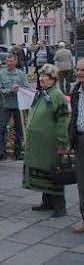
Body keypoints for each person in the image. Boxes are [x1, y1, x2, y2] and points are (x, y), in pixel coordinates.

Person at [23, 64, 70, 218]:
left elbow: (62, 122)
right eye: (41, 75)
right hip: (39, 144)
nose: (41, 78)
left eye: (46, 76)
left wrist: (62, 143)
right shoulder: (42, 94)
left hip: (51, 143)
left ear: (54, 79)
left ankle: (59, 205)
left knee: (54, 173)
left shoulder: (57, 96)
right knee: (43, 171)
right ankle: (47, 201)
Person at [0, 54, 28, 160]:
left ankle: (18, 152)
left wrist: (19, 88)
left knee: (19, 129)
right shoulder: (1, 74)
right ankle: (1, 152)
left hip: (18, 104)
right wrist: (10, 90)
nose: (8, 63)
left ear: (15, 62)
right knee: (1, 128)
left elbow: (26, 87)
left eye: (11, 61)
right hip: (5, 104)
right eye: (7, 61)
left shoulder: (21, 74)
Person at [70, 59, 84, 232]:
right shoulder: (76, 91)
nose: (80, 72)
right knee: (81, 181)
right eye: (78, 69)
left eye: (83, 70)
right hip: (80, 140)